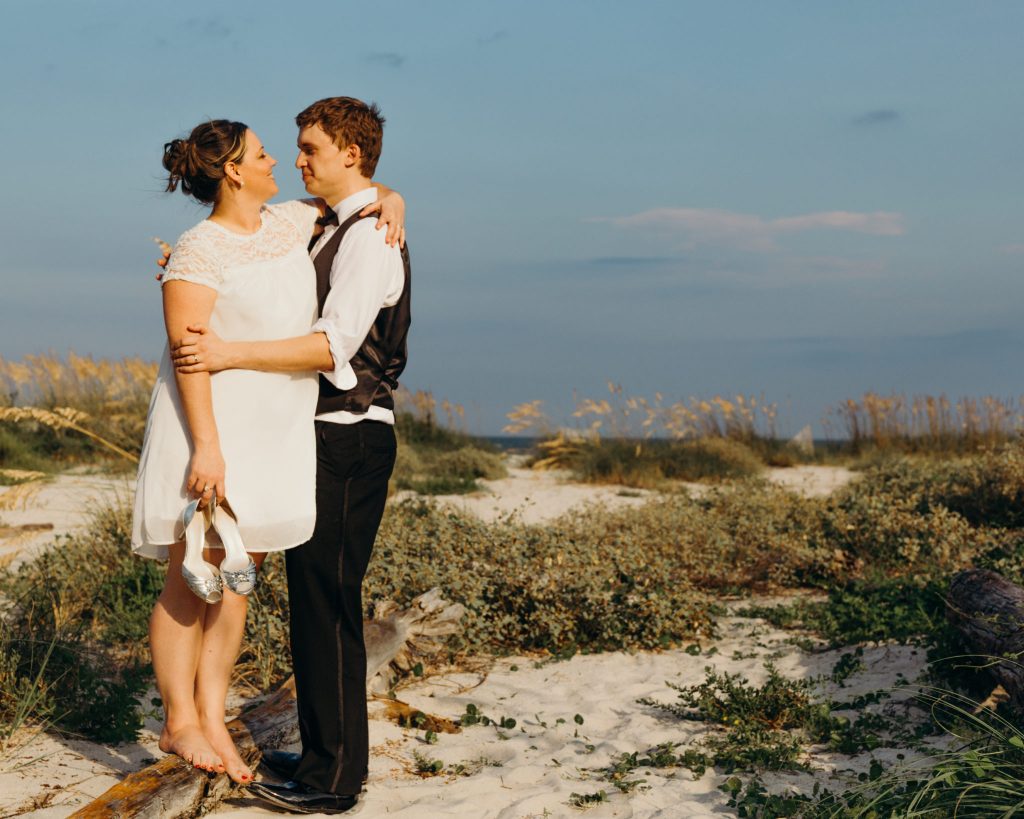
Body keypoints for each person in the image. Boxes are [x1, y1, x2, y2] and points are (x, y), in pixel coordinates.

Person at [132, 117, 404, 786]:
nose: (278, 158)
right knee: (189, 576)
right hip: (213, 431)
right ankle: (179, 718)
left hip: (271, 436)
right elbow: (190, 358)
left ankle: (213, 713)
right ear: (233, 171)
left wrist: (394, 200)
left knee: (236, 582)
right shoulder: (197, 250)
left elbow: (359, 191)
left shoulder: (286, 222)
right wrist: (207, 449)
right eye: (262, 153)